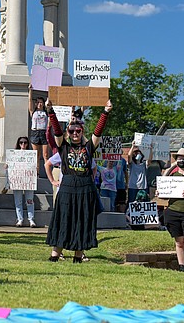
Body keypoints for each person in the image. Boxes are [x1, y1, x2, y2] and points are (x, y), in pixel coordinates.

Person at [44, 99, 111, 262]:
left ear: (82, 132)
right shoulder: (63, 147)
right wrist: (50, 111)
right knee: (63, 219)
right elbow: (57, 132)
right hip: (67, 187)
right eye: (72, 131)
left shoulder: (88, 147)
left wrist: (106, 112)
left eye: (78, 131)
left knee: (82, 220)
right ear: (68, 132)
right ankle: (55, 255)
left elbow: (98, 133)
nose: (75, 133)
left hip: (85, 188)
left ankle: (78, 257)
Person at [8, 136, 36, 227]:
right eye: (21, 142)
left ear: (28, 144)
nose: (23, 144)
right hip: (17, 180)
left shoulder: (31, 155)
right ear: (18, 144)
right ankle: (20, 219)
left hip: (28, 180)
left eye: (25, 142)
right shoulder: (14, 155)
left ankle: (31, 219)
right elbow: (9, 166)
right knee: (18, 201)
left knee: (29, 200)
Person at [28, 87, 48, 176]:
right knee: (36, 155)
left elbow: (50, 102)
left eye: (41, 102)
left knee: (45, 155)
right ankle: (36, 172)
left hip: (44, 132)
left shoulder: (46, 112)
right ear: (36, 104)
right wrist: (30, 91)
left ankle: (47, 172)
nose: (40, 104)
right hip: (35, 132)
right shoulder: (33, 112)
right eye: (38, 102)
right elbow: (29, 102)